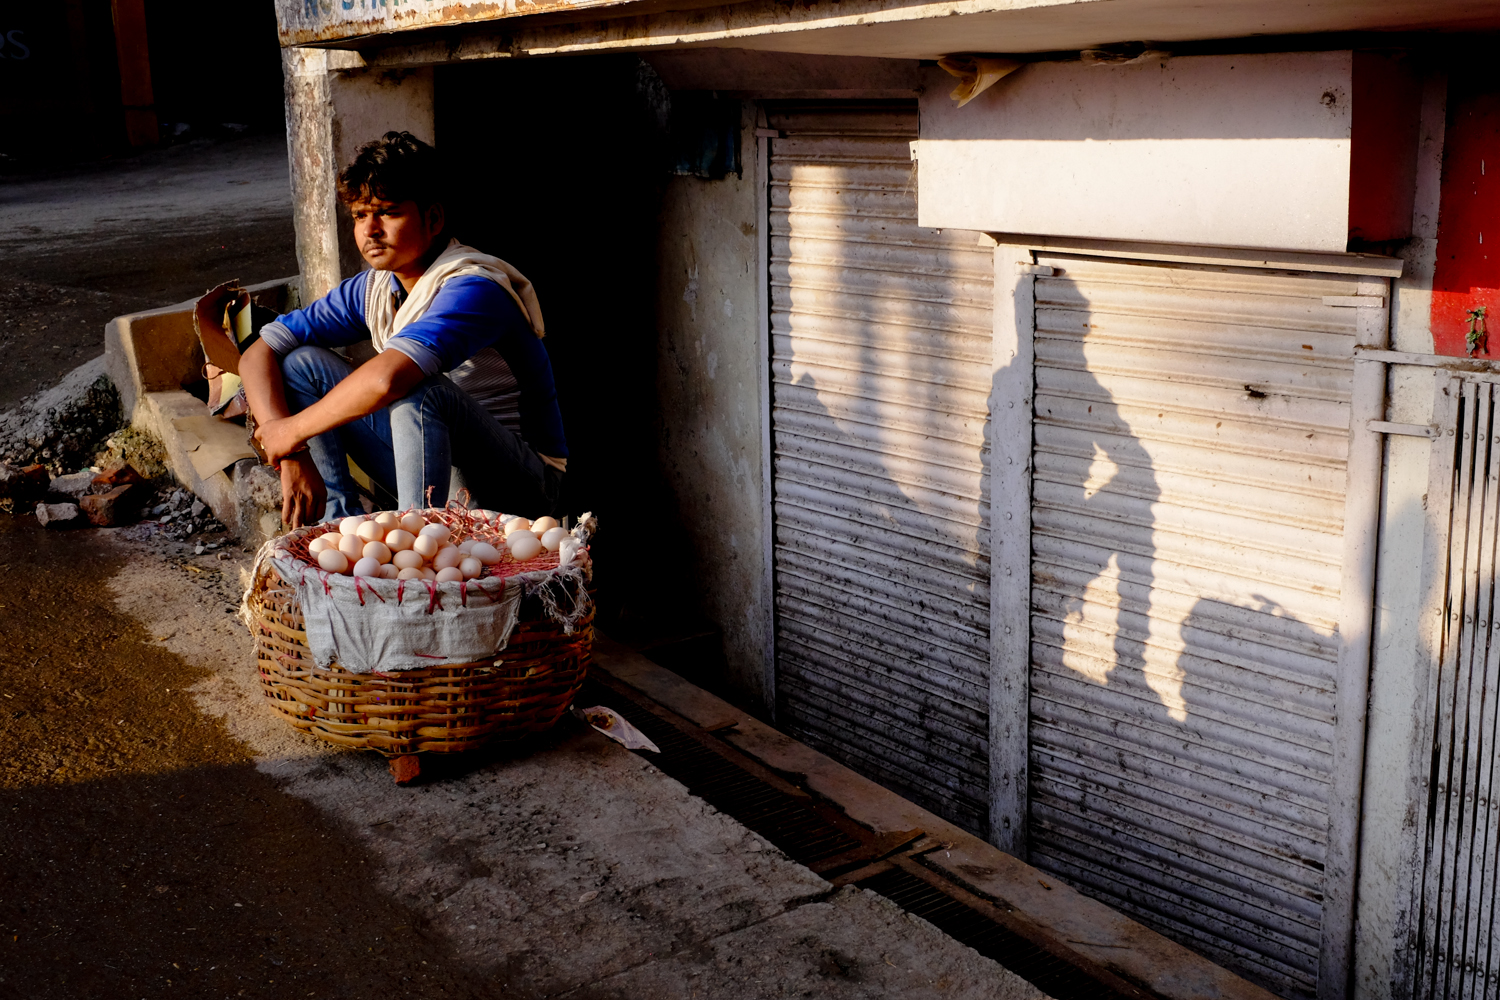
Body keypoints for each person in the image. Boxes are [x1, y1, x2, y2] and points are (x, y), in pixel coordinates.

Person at [239, 131, 568, 528]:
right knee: (301, 363)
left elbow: (388, 379)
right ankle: (338, 522)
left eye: (388, 212)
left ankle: (415, 547)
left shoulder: (473, 287)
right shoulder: (375, 288)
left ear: (433, 219)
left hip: (520, 486)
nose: (370, 230)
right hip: (443, 472)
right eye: (361, 215)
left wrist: (291, 430)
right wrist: (289, 450)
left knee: (419, 390)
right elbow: (259, 351)